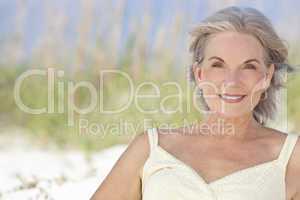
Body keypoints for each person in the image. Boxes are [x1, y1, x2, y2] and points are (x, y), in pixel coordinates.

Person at [91, 6, 300, 200]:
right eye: (218, 65)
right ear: (199, 74)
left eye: (249, 66)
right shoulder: (151, 147)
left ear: (267, 75)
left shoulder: (291, 156)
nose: (232, 81)